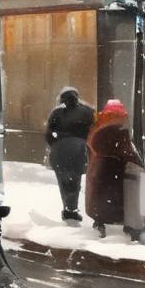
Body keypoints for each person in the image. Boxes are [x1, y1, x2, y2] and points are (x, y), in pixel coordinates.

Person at [86, 99, 145, 238]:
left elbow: (91, 145)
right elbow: (125, 151)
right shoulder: (119, 129)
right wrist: (138, 162)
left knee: (98, 198)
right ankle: (127, 229)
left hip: (98, 167)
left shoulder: (97, 126)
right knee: (119, 196)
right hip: (115, 169)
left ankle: (99, 222)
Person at [45, 87, 94, 222]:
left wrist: (55, 144)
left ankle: (68, 208)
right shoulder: (87, 112)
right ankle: (72, 209)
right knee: (75, 179)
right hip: (79, 149)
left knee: (63, 181)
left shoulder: (56, 113)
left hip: (60, 150)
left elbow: (49, 134)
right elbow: (94, 129)